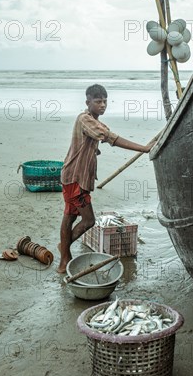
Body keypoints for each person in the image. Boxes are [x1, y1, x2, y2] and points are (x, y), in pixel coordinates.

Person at [57, 84, 154, 273]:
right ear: (88, 102)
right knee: (88, 221)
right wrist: (144, 148)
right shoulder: (85, 119)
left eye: (105, 101)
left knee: (69, 215)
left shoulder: (94, 120)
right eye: (98, 101)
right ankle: (64, 251)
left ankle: (64, 252)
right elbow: (111, 138)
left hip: (73, 177)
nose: (102, 105)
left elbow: (104, 134)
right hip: (76, 179)